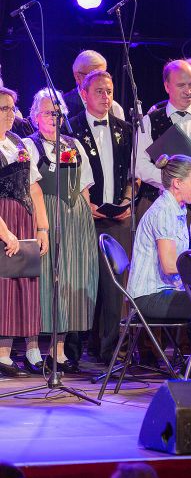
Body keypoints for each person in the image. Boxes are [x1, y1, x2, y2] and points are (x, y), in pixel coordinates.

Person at [24, 88, 97, 374]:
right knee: (43, 281)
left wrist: (85, 225)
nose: (53, 118)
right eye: (47, 113)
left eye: (57, 113)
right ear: (34, 116)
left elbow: (85, 187)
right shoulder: (30, 145)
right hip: (46, 216)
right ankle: (33, 348)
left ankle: (59, 351)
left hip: (75, 218)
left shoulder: (73, 144)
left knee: (70, 280)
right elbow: (30, 188)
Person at [67, 69, 133, 365]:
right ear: (83, 94)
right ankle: (72, 352)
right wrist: (85, 205)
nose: (106, 97)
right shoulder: (70, 127)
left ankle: (109, 351)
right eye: (99, 92)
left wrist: (129, 200)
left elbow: (134, 172)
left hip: (116, 216)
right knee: (80, 284)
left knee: (113, 286)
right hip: (82, 216)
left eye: (109, 91)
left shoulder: (125, 128)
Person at [127, 154, 191, 365]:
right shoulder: (164, 212)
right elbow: (170, 265)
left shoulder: (178, 209)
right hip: (149, 298)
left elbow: (180, 258)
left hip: (165, 291)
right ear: (177, 183)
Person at [0, 87, 48, 378]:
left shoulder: (18, 142)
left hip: (24, 216)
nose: (10, 114)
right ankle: (3, 355)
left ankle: (32, 351)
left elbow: (35, 188)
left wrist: (42, 228)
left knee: (27, 283)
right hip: (3, 220)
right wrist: (5, 233)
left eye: (11, 108)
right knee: (4, 286)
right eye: (3, 108)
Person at [136, 60, 191, 217]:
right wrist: (172, 182)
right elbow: (140, 164)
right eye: (181, 85)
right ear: (167, 86)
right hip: (156, 204)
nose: (188, 91)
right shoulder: (150, 121)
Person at [63, 50, 125, 121]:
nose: (100, 80)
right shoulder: (63, 106)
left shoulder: (115, 108)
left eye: (103, 74)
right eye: (93, 76)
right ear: (77, 77)